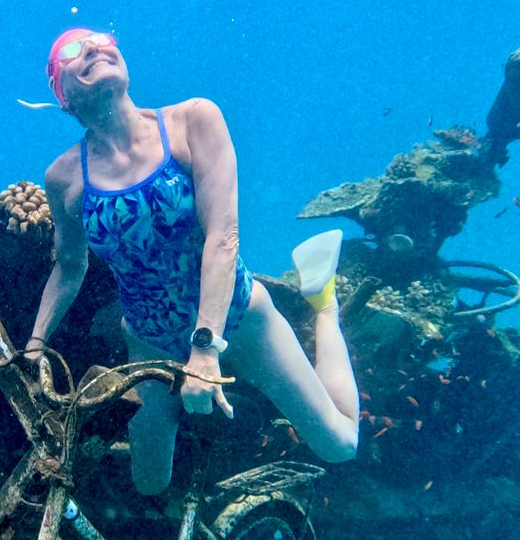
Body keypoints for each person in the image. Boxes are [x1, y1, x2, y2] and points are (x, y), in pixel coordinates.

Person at [23, 27, 361, 495]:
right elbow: (68, 266)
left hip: (239, 321)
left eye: (103, 40)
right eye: (75, 51)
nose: (96, 49)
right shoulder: (63, 179)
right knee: (149, 482)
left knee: (340, 443)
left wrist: (205, 350)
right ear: (64, 96)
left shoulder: (193, 121)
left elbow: (224, 237)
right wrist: (35, 346)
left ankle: (325, 305)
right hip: (149, 343)